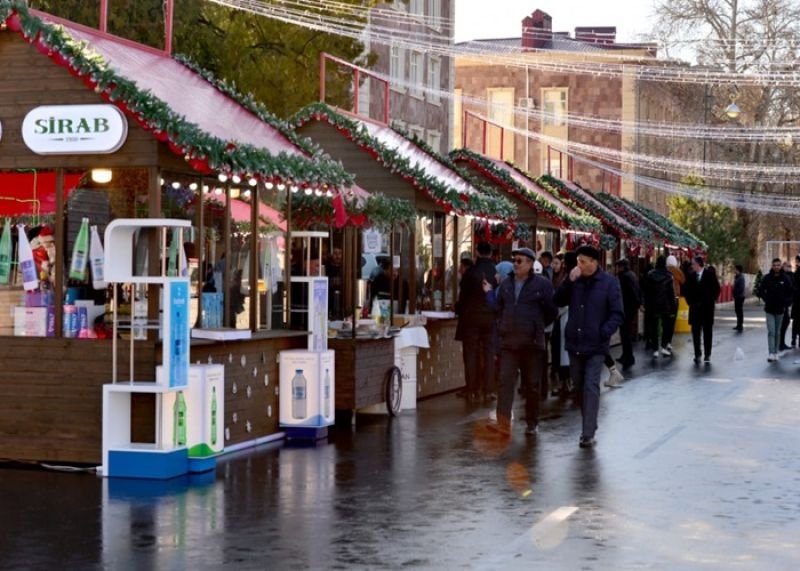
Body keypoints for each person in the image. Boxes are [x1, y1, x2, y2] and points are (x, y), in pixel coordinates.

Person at [554, 245, 624, 448]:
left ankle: (588, 432)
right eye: (578, 261)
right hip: (575, 342)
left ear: (595, 263)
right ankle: (589, 424)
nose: (580, 265)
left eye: (583, 262)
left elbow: (617, 313)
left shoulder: (609, 283)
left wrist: (604, 332)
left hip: (596, 345)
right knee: (579, 387)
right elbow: (557, 300)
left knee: (591, 385)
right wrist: (569, 280)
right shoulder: (574, 281)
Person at [483, 247, 556, 436]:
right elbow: (498, 308)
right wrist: (503, 327)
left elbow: (551, 311)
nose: (515, 264)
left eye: (520, 261)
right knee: (505, 381)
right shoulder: (507, 284)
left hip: (532, 343)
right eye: (514, 260)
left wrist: (536, 327)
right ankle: (503, 422)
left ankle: (532, 421)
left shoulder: (542, 284)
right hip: (509, 342)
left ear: (530, 264)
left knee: (531, 384)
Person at [455, 242, 497, 402]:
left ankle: (472, 390)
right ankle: (488, 390)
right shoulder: (495, 271)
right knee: (488, 353)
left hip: (471, 318)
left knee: (471, 353)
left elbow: (463, 297)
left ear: (477, 253)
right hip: (489, 318)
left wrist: (458, 309)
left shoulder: (471, 272)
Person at [684, 255, 720, 364]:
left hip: (707, 310)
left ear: (699, 264)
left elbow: (717, 289)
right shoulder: (691, 276)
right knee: (695, 333)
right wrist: (690, 302)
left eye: (693, 264)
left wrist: (710, 301)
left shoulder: (710, 275)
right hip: (695, 309)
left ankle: (707, 354)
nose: (692, 266)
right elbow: (686, 291)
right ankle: (697, 354)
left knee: (707, 333)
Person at [757, 258, 794, 362]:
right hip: (769, 309)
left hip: (780, 309)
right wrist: (766, 299)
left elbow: (790, 292)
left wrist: (786, 303)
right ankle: (771, 353)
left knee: (777, 332)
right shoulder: (767, 278)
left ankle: (776, 352)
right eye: (774, 265)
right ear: (772, 266)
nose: (776, 267)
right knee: (771, 331)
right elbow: (760, 290)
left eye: (778, 265)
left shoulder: (785, 278)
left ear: (780, 266)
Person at [643, 256, 676, 358]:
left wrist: (646, 304)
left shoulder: (650, 275)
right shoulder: (669, 276)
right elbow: (671, 293)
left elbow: (646, 292)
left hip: (653, 305)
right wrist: (673, 306)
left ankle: (655, 349)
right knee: (666, 327)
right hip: (665, 305)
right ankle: (664, 346)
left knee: (654, 327)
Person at [615, 258, 641, 370]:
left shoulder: (624, 277)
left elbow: (626, 293)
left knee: (625, 333)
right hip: (630, 309)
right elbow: (637, 291)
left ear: (622, 267)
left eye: (618, 267)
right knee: (626, 333)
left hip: (625, 308)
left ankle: (628, 356)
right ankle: (626, 355)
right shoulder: (632, 275)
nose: (616, 269)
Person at [665, 255, 686, 343]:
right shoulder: (677, 271)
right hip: (674, 298)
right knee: (671, 321)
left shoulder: (664, 269)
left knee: (665, 320)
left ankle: (664, 341)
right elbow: (683, 280)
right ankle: (668, 341)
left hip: (664, 298)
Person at [779, 261, 794, 350]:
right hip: (782, 304)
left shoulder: (790, 275)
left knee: (786, 322)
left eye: (790, 266)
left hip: (787, 304)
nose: (789, 267)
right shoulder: (783, 276)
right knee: (784, 323)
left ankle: (781, 343)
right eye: (787, 266)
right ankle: (780, 344)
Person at [733, 264, 746, 332]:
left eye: (735, 269)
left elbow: (741, 288)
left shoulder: (741, 277)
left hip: (739, 297)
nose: (734, 270)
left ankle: (740, 325)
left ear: (738, 270)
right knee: (737, 311)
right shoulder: (737, 277)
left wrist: (737, 294)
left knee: (739, 311)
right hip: (737, 296)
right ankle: (738, 324)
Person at [793, 256, 800, 346]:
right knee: (796, 322)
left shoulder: (796, 273)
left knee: (796, 322)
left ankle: (794, 339)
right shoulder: (796, 273)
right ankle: (794, 339)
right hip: (797, 301)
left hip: (797, 301)